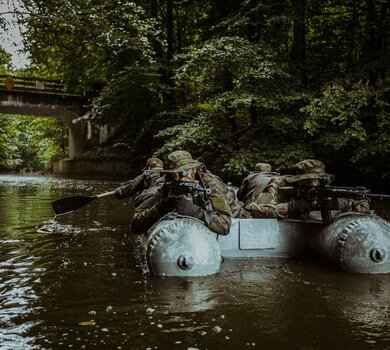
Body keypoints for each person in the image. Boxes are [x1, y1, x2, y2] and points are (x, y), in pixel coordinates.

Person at [131, 150, 233, 235]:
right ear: (170, 174)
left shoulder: (211, 184)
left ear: (194, 170)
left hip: (235, 214)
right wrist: (162, 207)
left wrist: (195, 212)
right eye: (177, 172)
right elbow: (136, 226)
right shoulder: (169, 185)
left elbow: (224, 226)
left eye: (186, 171)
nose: (182, 177)